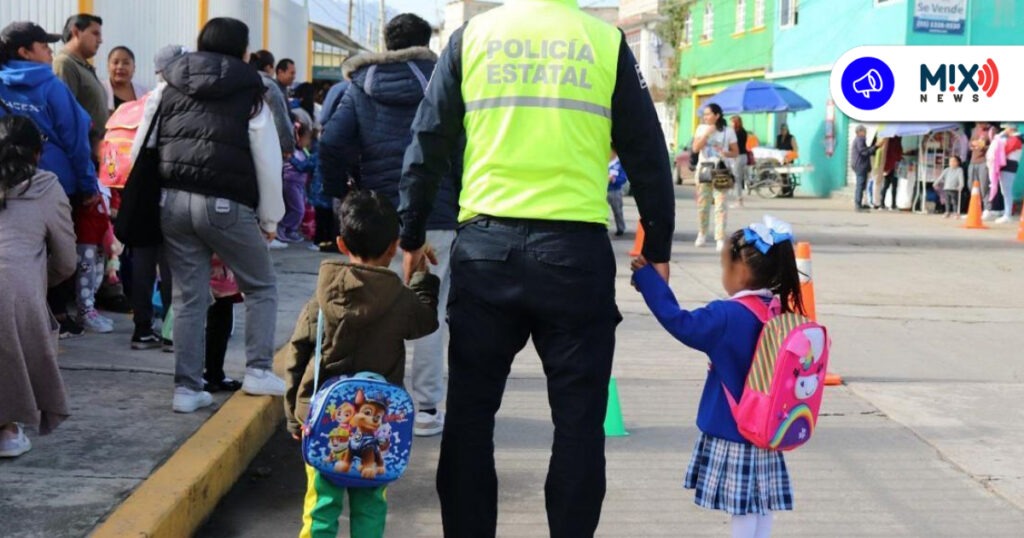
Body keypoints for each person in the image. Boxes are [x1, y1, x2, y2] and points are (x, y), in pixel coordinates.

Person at [397, 0, 676, 535]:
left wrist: (411, 232)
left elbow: (428, 137)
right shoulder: (604, 42)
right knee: (578, 424)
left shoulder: (471, 37)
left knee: (471, 417)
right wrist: (656, 246)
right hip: (575, 255)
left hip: (486, 250)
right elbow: (647, 151)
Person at [132, 17, 287, 413]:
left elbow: (142, 145)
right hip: (225, 205)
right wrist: (270, 219)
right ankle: (257, 370)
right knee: (261, 284)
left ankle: (186, 388)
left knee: (187, 297)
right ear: (243, 50)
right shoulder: (253, 88)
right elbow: (267, 158)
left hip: (172, 201)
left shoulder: (168, 83)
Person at [320, 13, 459, 438]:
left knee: (367, 308)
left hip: (376, 217)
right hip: (436, 214)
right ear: (426, 41)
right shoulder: (446, 80)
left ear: (386, 41)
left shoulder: (360, 86)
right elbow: (464, 145)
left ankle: (368, 402)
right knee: (431, 308)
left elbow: (331, 143)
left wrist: (342, 196)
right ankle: (428, 407)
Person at [280, 190, 440, 538]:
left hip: (324, 423)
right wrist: (419, 275)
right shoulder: (400, 301)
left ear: (340, 242)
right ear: (393, 247)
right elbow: (426, 319)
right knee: (370, 508)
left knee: (321, 509)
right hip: (375, 428)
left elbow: (297, 355)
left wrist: (296, 415)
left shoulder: (321, 298)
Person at [631, 216, 803, 538]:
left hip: (737, 426)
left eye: (724, 266)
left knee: (742, 507)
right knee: (761, 504)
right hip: (770, 426)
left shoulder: (727, 316)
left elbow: (679, 322)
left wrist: (649, 281)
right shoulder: (777, 310)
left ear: (740, 271)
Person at [0, 20, 100, 339]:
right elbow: (76, 139)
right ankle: (54, 313)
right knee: (56, 247)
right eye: (44, 46)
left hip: (6, 181)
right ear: (25, 51)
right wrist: (88, 185)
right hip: (55, 182)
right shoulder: (51, 85)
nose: (50, 52)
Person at [0, 115, 78, 458]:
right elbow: (66, 262)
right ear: (37, 153)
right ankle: (7, 428)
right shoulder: (46, 188)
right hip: (14, 291)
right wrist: (38, 282)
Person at [127, 44, 184, 351]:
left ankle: (141, 329)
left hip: (150, 188)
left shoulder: (155, 96)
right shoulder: (188, 95)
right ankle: (172, 332)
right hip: (176, 189)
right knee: (174, 263)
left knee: (144, 262)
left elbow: (139, 147)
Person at [693, 103, 739, 252]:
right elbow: (695, 148)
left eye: (708, 114)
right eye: (704, 114)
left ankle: (719, 238)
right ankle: (702, 233)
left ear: (717, 115)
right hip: (704, 169)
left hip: (721, 171)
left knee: (721, 206)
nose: (705, 117)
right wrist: (707, 134)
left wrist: (725, 153)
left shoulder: (728, 131)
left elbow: (736, 152)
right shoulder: (701, 129)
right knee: (703, 205)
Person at [53, 14, 107, 132]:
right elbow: (64, 115)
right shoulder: (65, 63)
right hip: (82, 147)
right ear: (76, 32)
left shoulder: (82, 65)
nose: (100, 40)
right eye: (95, 33)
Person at [250, 49, 295, 157]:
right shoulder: (269, 86)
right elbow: (279, 116)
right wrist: (288, 145)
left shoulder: (247, 80)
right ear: (268, 67)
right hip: (268, 145)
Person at [278, 123, 315, 243]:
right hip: (290, 183)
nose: (308, 141)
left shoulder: (304, 151)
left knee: (299, 209)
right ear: (299, 137)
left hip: (300, 184)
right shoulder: (291, 152)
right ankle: (282, 226)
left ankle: (290, 230)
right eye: (307, 138)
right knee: (298, 210)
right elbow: (301, 166)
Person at [102, 45, 147, 113]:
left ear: (134, 68)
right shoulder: (100, 89)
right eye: (115, 62)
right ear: (108, 66)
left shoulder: (144, 93)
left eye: (126, 63)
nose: (120, 67)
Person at [992, 124, 1021, 224]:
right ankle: (1007, 212)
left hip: (1009, 165)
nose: (1005, 130)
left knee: (1007, 191)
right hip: (1008, 165)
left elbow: (1004, 150)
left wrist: (999, 137)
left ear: (1011, 129)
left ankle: (1007, 214)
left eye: (1006, 128)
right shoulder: (1015, 138)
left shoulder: (1015, 139)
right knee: (1005, 191)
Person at [969, 122, 993, 220]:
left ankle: (987, 209)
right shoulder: (974, 129)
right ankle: (974, 210)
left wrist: (984, 146)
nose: (980, 123)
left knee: (984, 186)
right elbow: (970, 143)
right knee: (971, 185)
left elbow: (995, 146)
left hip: (984, 161)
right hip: (973, 161)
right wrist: (972, 145)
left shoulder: (992, 130)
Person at [851, 125, 878, 212]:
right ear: (860, 132)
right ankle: (858, 205)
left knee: (862, 185)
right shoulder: (860, 139)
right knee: (860, 185)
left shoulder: (858, 140)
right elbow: (864, 152)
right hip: (860, 166)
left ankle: (859, 204)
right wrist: (875, 147)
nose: (866, 133)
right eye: (864, 131)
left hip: (859, 165)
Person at [878, 135, 902, 211]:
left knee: (886, 186)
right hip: (894, 166)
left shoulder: (888, 142)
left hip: (888, 166)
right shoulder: (896, 143)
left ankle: (882, 204)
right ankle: (893, 205)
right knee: (893, 187)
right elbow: (897, 154)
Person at [731, 116, 749, 207]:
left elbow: (735, 146)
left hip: (737, 157)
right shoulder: (744, 131)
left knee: (737, 179)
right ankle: (739, 198)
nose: (731, 124)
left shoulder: (736, 133)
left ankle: (739, 200)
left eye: (732, 122)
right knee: (740, 178)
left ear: (736, 123)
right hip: (744, 156)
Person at [607, 152, 627, 236]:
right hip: (602, 190)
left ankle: (620, 228)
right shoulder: (604, 162)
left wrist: (614, 179)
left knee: (617, 211)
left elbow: (623, 178)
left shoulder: (619, 164)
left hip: (614, 190)